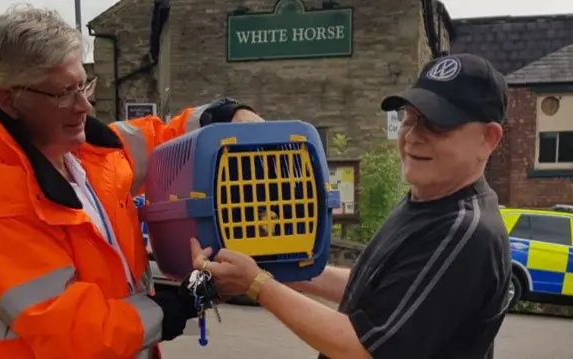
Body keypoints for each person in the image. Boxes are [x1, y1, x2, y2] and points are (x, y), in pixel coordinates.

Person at [0, 5, 262, 359]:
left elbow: (164, 141)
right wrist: (171, 308)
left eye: (83, 85)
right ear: (9, 101)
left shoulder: (84, 149)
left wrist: (224, 116)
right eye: (63, 93)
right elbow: (79, 331)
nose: (84, 106)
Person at [191, 53, 512, 359]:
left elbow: (363, 348)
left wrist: (256, 284)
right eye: (410, 118)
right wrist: (272, 268)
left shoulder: (465, 232)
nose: (413, 136)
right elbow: (374, 288)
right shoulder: (430, 200)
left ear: (488, 139)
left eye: (438, 124)